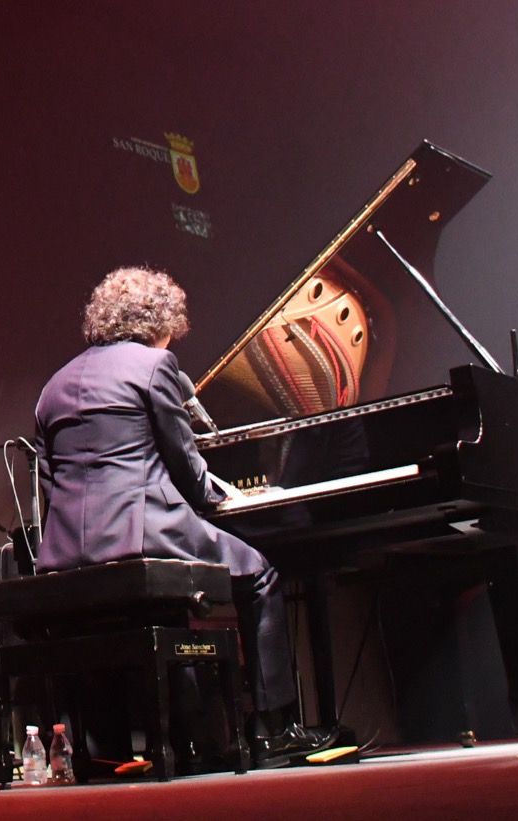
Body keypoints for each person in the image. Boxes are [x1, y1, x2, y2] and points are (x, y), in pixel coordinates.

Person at [34, 266, 316, 758]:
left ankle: (115, 748)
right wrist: (228, 497)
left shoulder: (53, 385)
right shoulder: (153, 366)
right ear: (159, 322)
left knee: (164, 599)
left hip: (65, 551)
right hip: (144, 531)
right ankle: (275, 729)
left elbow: (48, 484)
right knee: (261, 575)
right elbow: (186, 468)